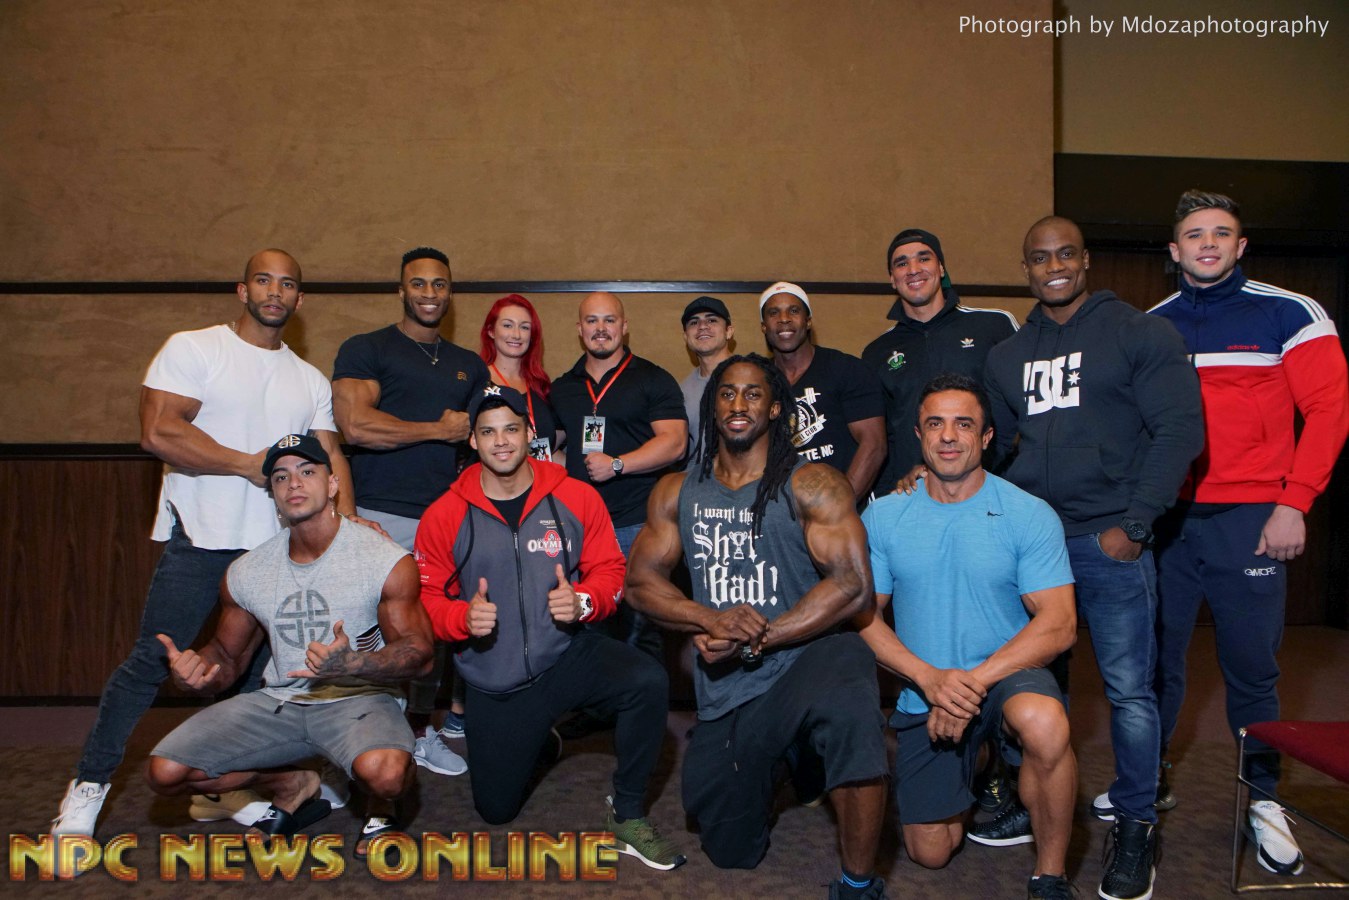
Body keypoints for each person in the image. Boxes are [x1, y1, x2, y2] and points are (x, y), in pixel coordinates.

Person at [52, 249, 358, 838]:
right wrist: (246, 464)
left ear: (300, 299)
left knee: (258, 681)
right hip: (203, 542)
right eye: (263, 280)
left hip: (273, 553)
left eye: (287, 284)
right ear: (242, 290)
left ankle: (233, 792)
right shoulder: (195, 349)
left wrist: (347, 530)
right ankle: (88, 788)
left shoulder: (308, 378)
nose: (275, 292)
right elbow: (158, 430)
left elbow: (330, 456)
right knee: (150, 662)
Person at [983, 217, 1204, 900]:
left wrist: (1134, 524)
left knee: (1129, 691)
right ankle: (1029, 797)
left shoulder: (1140, 333)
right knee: (1027, 685)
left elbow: (1180, 431)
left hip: (1108, 541)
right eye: (1039, 257)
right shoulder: (1007, 356)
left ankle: (1135, 822)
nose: (1053, 266)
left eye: (1065, 254)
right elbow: (992, 449)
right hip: (1034, 546)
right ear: (1025, 268)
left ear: (1084, 261)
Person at [627, 354, 888, 899]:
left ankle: (858, 884)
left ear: (773, 408)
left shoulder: (813, 483)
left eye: (752, 393)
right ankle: (791, 761)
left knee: (851, 684)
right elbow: (640, 583)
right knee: (729, 851)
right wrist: (707, 617)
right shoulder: (678, 491)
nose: (738, 404)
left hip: (804, 663)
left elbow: (852, 585)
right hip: (731, 692)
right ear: (712, 406)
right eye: (726, 393)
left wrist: (755, 638)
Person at [1149, 190, 1349, 876]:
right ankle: (1147, 783)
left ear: (1240, 246)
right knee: (1152, 666)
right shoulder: (1152, 326)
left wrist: (1295, 502)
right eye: (1193, 234)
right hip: (1169, 522)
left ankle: (1263, 801)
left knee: (1251, 669)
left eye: (1220, 233)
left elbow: (1328, 412)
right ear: (1174, 250)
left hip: (1252, 520)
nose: (1207, 243)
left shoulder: (1288, 313)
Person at [414, 385, 685, 870]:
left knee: (646, 679)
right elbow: (427, 599)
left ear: (528, 433)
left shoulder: (574, 495)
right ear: (473, 440)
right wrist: (461, 618)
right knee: (496, 811)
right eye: (488, 432)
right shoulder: (443, 514)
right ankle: (539, 738)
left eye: (511, 429)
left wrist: (583, 601)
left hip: (564, 655)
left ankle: (627, 814)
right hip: (496, 678)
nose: (501, 441)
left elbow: (610, 571)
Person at [146, 434, 433, 857]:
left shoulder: (383, 558)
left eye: (307, 472)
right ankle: (293, 783)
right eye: (280, 477)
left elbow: (419, 654)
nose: (293, 483)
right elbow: (226, 657)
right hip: (280, 701)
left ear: (332, 484)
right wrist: (198, 673)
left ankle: (380, 805)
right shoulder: (247, 570)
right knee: (166, 772)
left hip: (360, 698)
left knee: (385, 774)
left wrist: (354, 664)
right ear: (274, 496)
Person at [858, 374, 1077, 900]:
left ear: (986, 437)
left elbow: (1059, 623)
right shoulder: (884, 515)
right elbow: (863, 618)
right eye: (936, 424)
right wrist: (929, 679)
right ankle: (982, 762)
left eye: (964, 424)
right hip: (925, 686)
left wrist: (969, 686)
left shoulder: (1027, 513)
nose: (949, 436)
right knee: (930, 853)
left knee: (1044, 723)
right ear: (919, 435)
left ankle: (1050, 877)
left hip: (1006, 675)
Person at [333, 246, 488, 779]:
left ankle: (419, 731)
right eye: (418, 283)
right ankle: (348, 741)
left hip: (444, 520)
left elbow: (484, 440)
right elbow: (355, 426)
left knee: (431, 634)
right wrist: (437, 430)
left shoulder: (469, 365)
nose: (429, 293)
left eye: (439, 284)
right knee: (365, 631)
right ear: (401, 290)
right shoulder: (368, 348)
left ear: (450, 292)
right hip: (377, 515)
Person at [550, 291, 687, 659]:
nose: (601, 328)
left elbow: (675, 443)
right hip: (581, 528)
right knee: (587, 627)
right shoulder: (563, 387)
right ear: (579, 329)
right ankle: (596, 697)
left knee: (641, 629)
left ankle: (645, 696)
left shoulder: (652, 379)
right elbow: (550, 445)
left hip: (637, 524)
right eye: (592, 320)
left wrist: (617, 464)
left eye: (609, 320)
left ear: (624, 327)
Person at [861, 229, 1016, 490]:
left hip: (993, 486)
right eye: (901, 263)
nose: (913, 269)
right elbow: (881, 437)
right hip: (916, 495)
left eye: (924, 259)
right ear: (892, 279)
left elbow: (1024, 409)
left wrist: (991, 463)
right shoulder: (876, 352)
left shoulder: (994, 325)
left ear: (941, 268)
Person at [759, 282, 885, 504]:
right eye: (773, 312)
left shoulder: (846, 369)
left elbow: (874, 445)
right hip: (785, 512)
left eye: (794, 310)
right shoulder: (759, 382)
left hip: (845, 508)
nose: (784, 318)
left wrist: (839, 508)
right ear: (763, 326)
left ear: (808, 321)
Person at [479, 293, 561, 460]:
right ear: (491, 331)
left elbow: (552, 447)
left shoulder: (540, 385)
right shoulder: (478, 383)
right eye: (507, 325)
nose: (516, 334)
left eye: (524, 327)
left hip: (540, 474)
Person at [677, 295, 735, 451]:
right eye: (694, 322)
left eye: (712, 320)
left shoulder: (754, 378)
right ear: (686, 337)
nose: (702, 326)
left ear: (729, 331)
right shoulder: (681, 393)